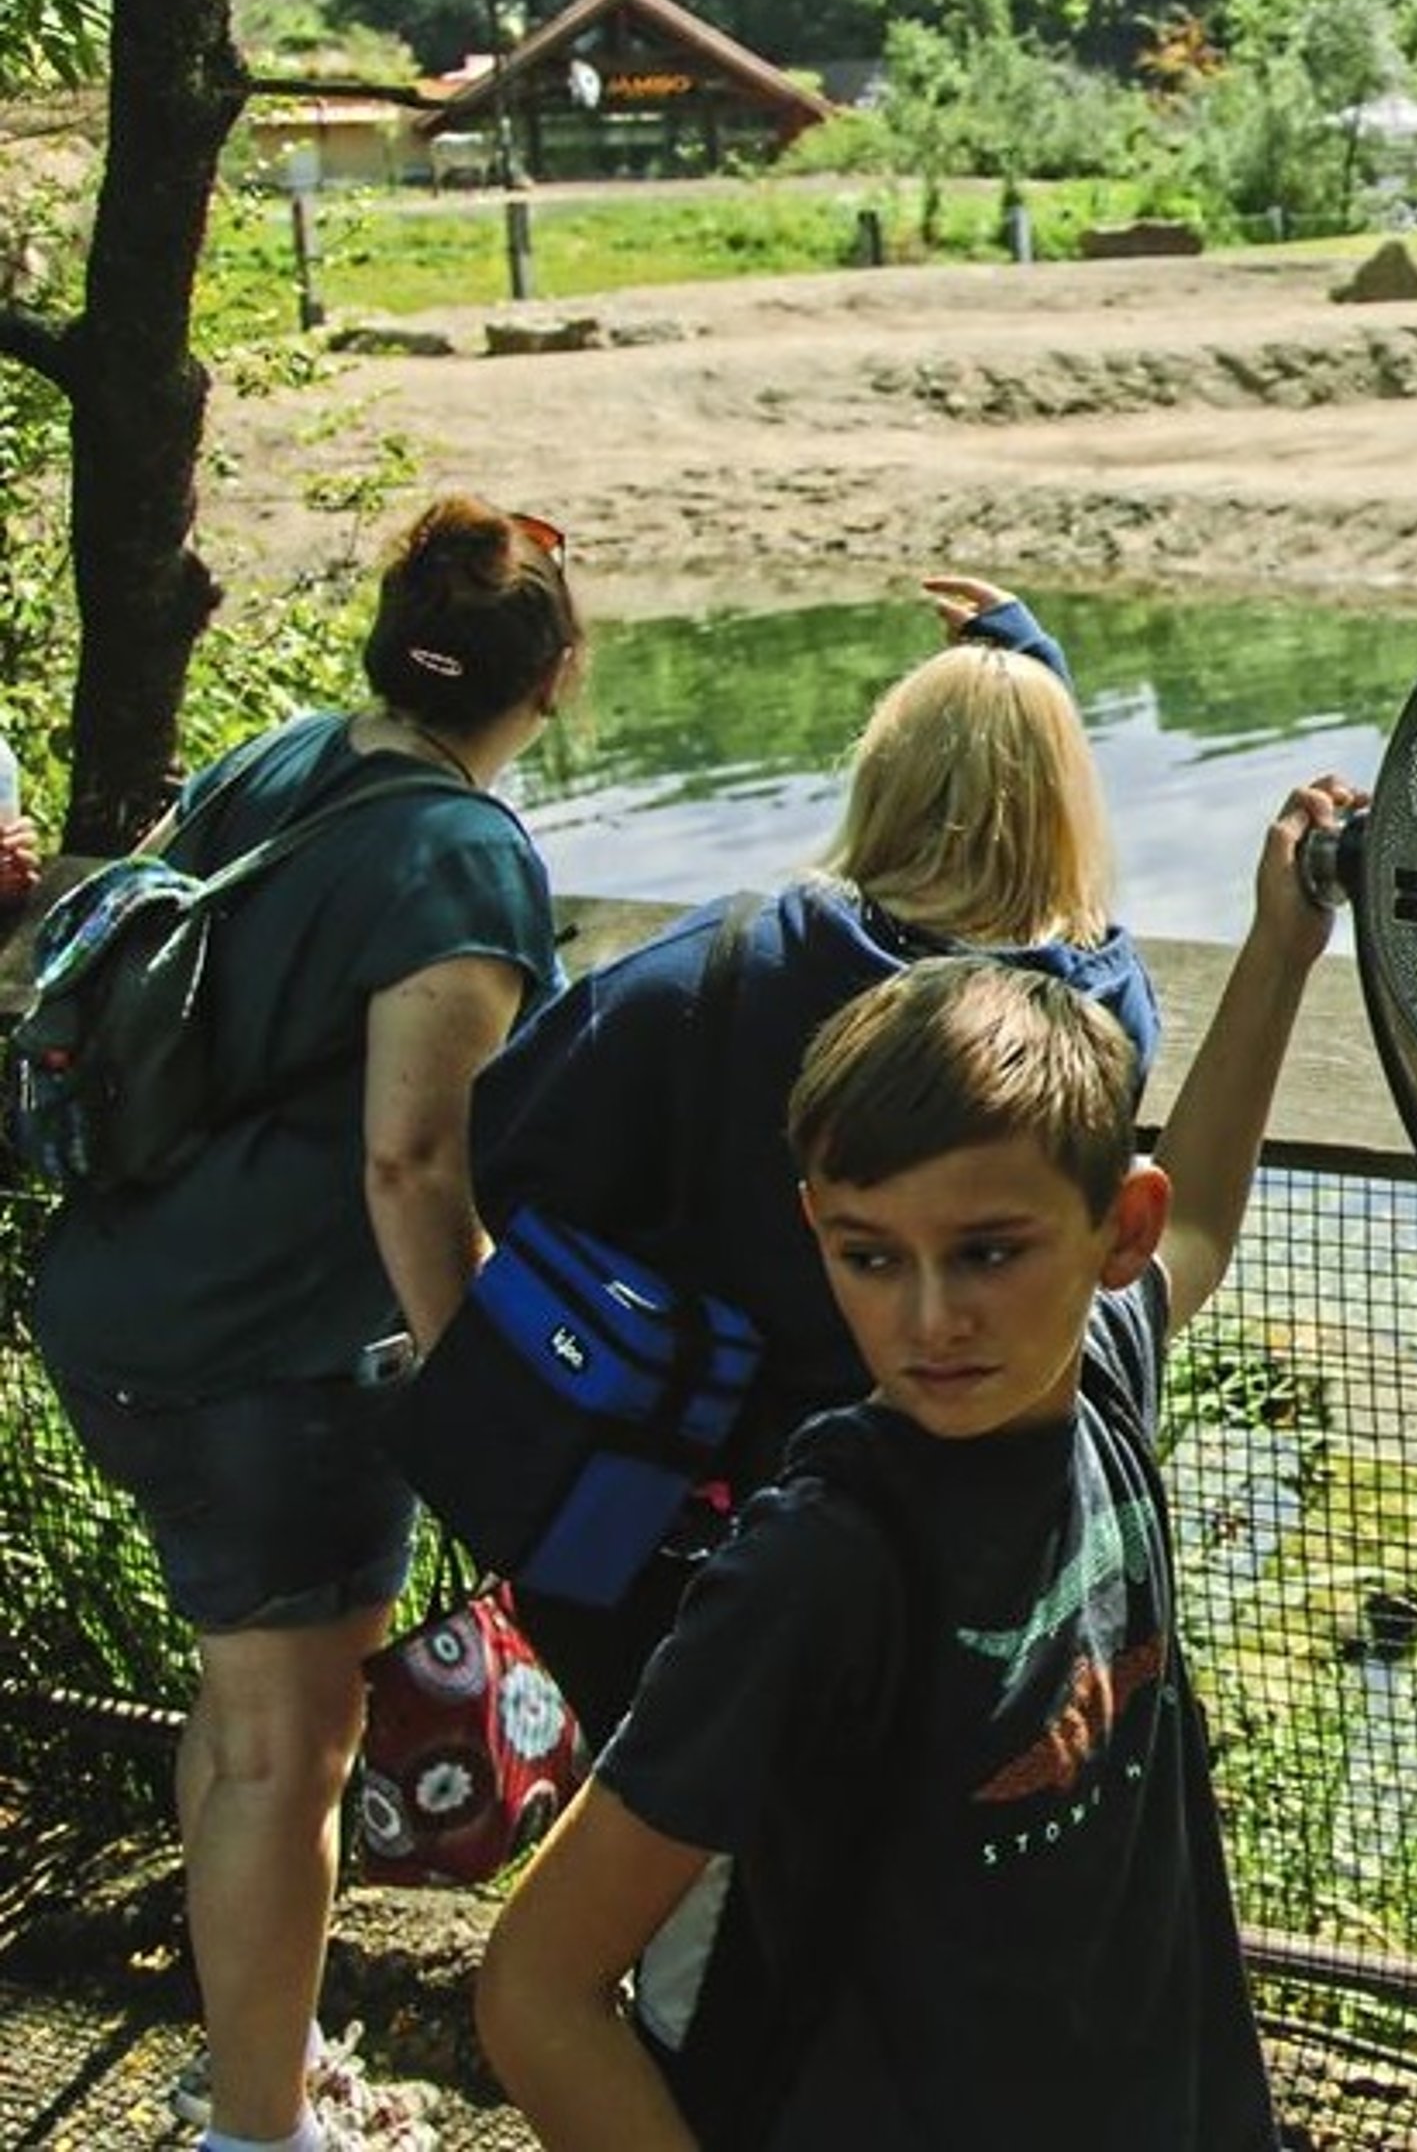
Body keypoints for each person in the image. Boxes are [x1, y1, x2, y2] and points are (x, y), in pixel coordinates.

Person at [477, 774, 1358, 2151]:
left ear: (1109, 1233)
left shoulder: (1103, 1378)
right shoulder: (818, 1564)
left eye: (989, 1251)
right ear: (813, 1226)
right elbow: (538, 1988)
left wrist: (1281, 945)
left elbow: (1200, 1226)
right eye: (870, 1256)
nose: (930, 1318)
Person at [28, 495, 581, 2152]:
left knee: (241, 1714)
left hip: (121, 1303)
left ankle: (256, 2069)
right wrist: (490, 1409)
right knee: (289, 1751)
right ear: (552, 681)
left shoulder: (284, 761)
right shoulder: (467, 862)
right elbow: (415, 1164)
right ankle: (259, 2131)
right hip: (259, 1359)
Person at [472, 576, 1159, 1741]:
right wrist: (1028, 668)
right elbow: (1063, 899)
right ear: (1065, 808)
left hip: (701, 1518)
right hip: (985, 1530)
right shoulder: (1093, 1020)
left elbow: (510, 1147)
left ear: (876, 778)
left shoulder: (723, 968)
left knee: (697, 1848)